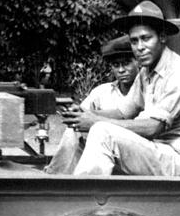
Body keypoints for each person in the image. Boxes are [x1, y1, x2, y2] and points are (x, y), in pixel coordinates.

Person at [68, 0, 180, 176]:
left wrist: (94, 121)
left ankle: (86, 196)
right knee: (75, 131)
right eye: (134, 41)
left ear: (162, 37)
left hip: (175, 158)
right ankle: (55, 187)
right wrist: (82, 115)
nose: (140, 47)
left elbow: (153, 128)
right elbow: (123, 112)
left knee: (101, 131)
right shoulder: (145, 73)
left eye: (146, 38)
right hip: (152, 149)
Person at [45, 38, 139, 174]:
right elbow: (82, 113)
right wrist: (75, 113)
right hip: (103, 153)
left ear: (138, 63)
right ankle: (56, 176)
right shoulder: (103, 91)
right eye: (116, 65)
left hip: (131, 152)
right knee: (73, 130)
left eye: (126, 64)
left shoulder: (145, 91)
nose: (121, 70)